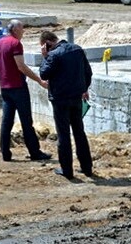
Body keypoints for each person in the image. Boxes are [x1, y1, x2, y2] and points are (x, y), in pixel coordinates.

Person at [37, 30, 94, 180]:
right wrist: (84, 89)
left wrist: (45, 57)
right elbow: (88, 72)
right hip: (76, 97)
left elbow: (44, 73)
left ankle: (67, 170)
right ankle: (87, 167)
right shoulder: (77, 49)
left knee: (63, 135)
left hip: (60, 99)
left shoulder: (53, 55)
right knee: (79, 132)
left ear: (47, 44)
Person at [0, 21, 51, 162]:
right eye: (21, 28)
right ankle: (34, 152)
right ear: (14, 30)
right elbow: (21, 66)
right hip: (18, 87)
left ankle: (5, 153)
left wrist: (4, 77)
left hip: (5, 87)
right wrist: (39, 80)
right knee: (26, 121)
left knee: (7, 121)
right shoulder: (15, 44)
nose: (23, 31)